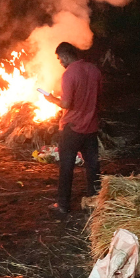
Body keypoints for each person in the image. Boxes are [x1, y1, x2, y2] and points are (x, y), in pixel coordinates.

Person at [45, 41, 102, 214]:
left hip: (72, 128)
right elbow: (98, 97)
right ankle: (94, 201)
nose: (60, 62)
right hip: (91, 126)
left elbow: (66, 103)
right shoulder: (95, 70)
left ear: (65, 55)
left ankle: (62, 205)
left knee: (67, 166)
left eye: (59, 58)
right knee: (93, 166)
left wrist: (50, 98)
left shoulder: (70, 74)